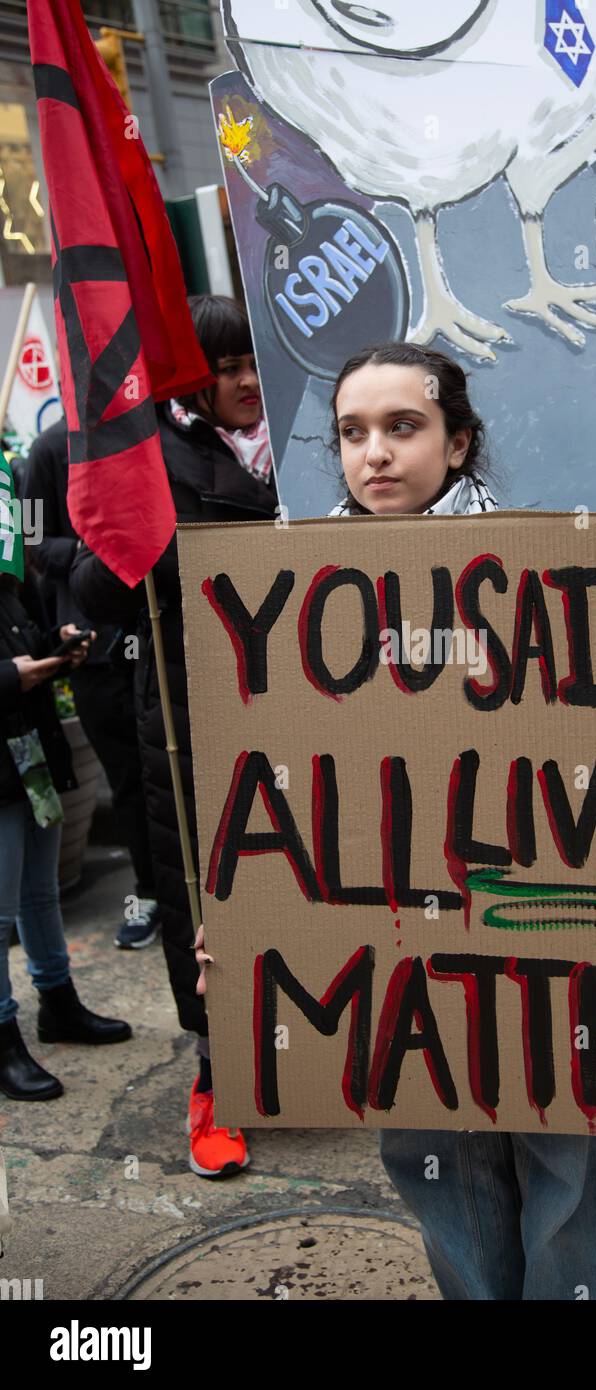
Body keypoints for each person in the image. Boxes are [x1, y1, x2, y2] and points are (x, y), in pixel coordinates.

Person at [196, 341, 596, 1299]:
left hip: (552, 945)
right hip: (396, 960)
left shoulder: (561, 562)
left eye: (405, 427)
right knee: (435, 1165)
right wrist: (248, 924)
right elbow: (280, 784)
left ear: (458, 443)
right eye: (354, 433)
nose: (376, 454)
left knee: (567, 1168)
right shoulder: (294, 592)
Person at [70, 295, 277, 1175]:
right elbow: (93, 586)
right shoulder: (156, 458)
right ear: (188, 378)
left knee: (300, 876)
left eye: (252, 363)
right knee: (207, 894)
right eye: (222, 367)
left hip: (303, 707)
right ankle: (218, 1077)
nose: (244, 383)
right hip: (198, 715)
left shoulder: (317, 444)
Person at [24, 419, 161, 949]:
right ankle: (147, 892)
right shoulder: (48, 448)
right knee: (129, 782)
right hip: (95, 651)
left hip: (164, 642)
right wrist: (98, 548)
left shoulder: (150, 433)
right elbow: (33, 539)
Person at [0, 569, 132, 1101]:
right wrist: (11, 676)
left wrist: (59, 649)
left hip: (31, 755)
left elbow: (29, 640)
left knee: (39, 894)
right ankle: (4, 1040)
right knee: (1, 912)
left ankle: (58, 1002)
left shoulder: (11, 578)